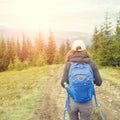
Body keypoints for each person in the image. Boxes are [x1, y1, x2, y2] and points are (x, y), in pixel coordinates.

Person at [61, 40, 102, 120]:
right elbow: (99, 82)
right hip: (87, 102)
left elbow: (63, 83)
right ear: (84, 50)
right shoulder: (91, 63)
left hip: (72, 101)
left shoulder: (68, 64)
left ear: (72, 50)